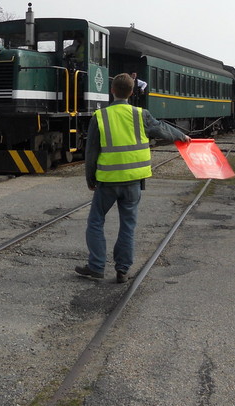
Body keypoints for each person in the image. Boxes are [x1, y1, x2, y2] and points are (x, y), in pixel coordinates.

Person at [75, 73, 190, 284]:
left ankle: (96, 266)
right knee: (128, 225)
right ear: (131, 92)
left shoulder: (100, 117)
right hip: (133, 182)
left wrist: (90, 179)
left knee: (95, 221)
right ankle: (122, 270)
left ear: (112, 91)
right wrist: (181, 136)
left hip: (107, 181)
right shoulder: (141, 114)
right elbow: (162, 129)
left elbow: (90, 153)